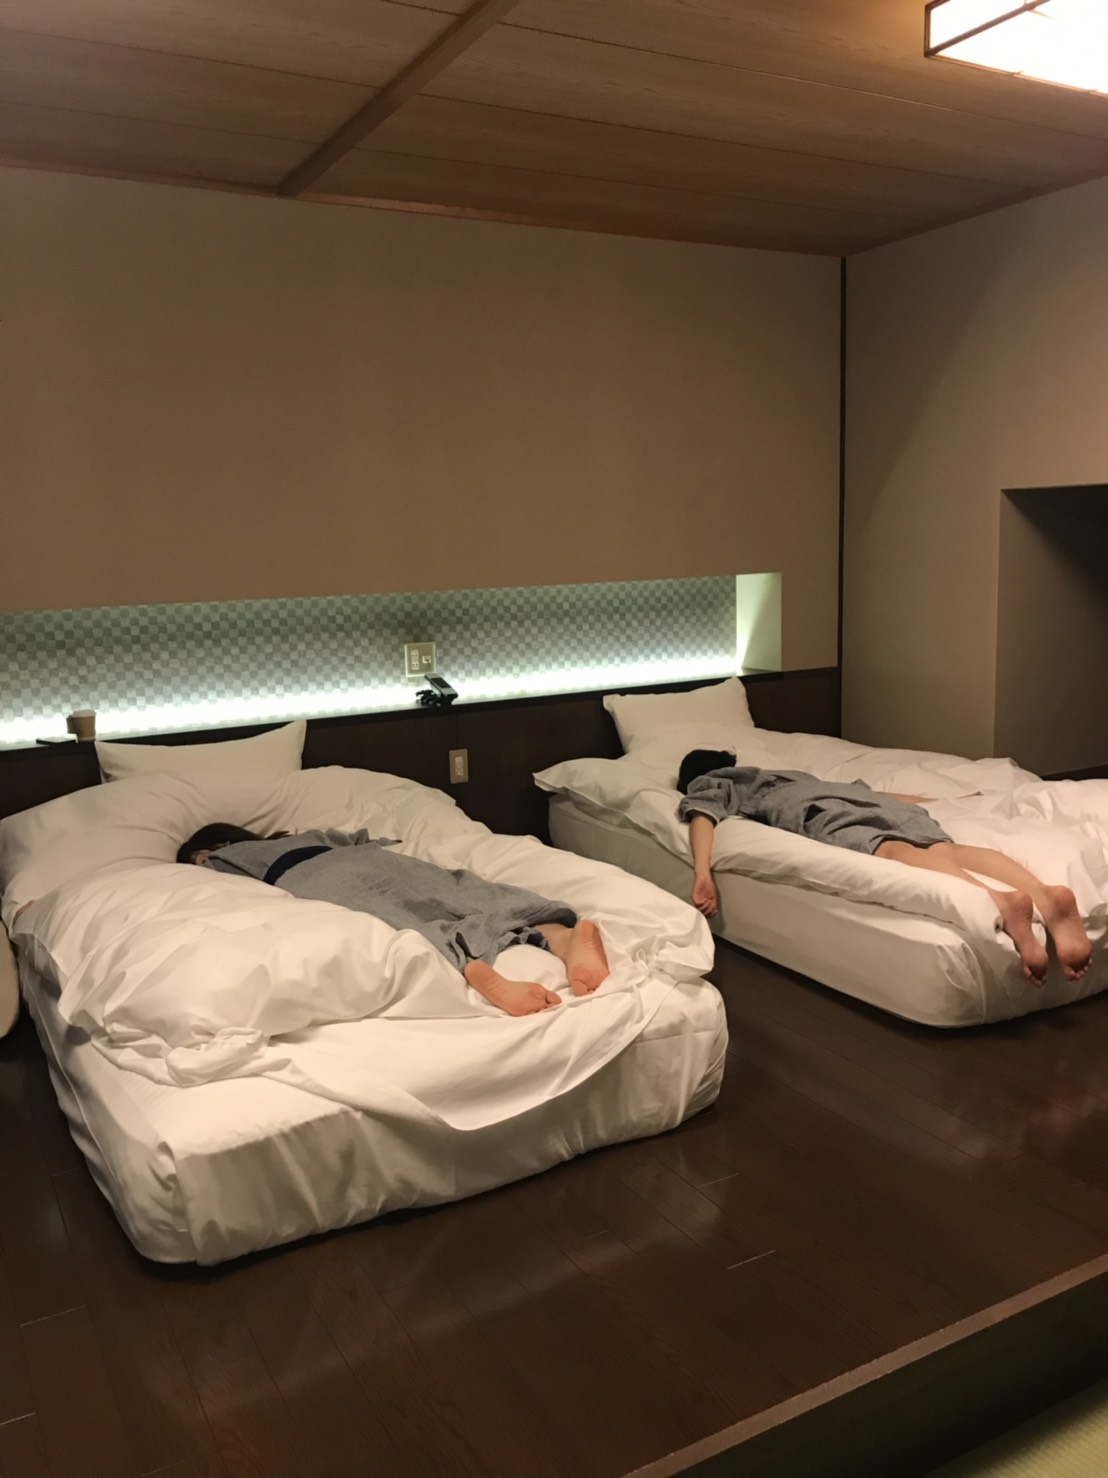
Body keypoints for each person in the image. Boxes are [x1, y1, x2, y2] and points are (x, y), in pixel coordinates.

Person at [675, 749, 1091, 986]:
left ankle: (1001, 902)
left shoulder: (718, 781)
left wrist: (702, 873)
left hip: (822, 811)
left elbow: (703, 816)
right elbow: (875, 795)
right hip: (872, 802)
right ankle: (1043, 894)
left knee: (889, 849)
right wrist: (936, 801)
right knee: (946, 848)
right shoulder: (787, 774)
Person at [176, 823, 610, 1016]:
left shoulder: (221, 859)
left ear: (210, 847)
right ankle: (563, 936)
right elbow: (361, 837)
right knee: (461, 889)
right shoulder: (307, 834)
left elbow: (222, 885)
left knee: (401, 919)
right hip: (371, 859)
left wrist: (200, 860)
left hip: (313, 877)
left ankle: (476, 969)